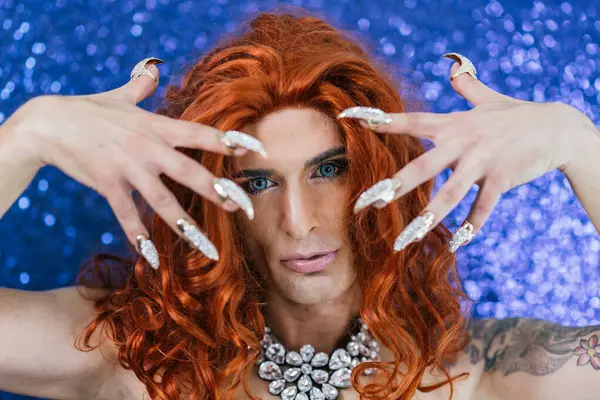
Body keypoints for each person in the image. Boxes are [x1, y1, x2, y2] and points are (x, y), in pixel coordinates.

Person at [0, 8, 599, 400]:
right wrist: (26, 138)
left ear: (380, 172)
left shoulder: (479, 375)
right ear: (215, 200)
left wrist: (579, 144)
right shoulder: (134, 359)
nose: (299, 220)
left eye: (329, 170)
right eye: (259, 182)